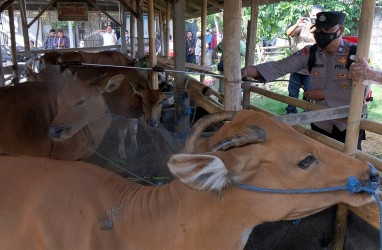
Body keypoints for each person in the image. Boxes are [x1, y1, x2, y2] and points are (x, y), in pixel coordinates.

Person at [241, 11, 367, 150]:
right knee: (319, 160)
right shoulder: (310, 53)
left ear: (340, 30)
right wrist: (248, 71)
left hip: (347, 123)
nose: (321, 34)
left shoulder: (355, 54)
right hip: (320, 121)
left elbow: (362, 90)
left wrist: (325, 94)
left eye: (327, 29)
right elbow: (280, 66)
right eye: (318, 30)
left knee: (350, 163)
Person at [284, 5, 324, 114]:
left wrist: (311, 28)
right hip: (296, 67)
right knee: (292, 91)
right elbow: (289, 33)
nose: (313, 18)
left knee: (309, 92)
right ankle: (291, 111)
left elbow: (317, 42)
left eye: (316, 16)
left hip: (311, 68)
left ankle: (307, 112)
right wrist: (298, 23)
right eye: (312, 15)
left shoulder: (321, 30)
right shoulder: (302, 27)